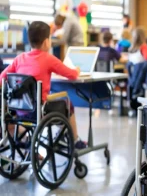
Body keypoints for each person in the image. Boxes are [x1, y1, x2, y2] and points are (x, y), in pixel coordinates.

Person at [0, 21, 87, 149]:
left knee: (55, 103)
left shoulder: (19, 58)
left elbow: (2, 78)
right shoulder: (48, 58)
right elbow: (72, 75)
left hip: (19, 109)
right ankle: (74, 140)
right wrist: (78, 70)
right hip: (40, 111)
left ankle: (38, 142)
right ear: (47, 42)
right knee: (68, 104)